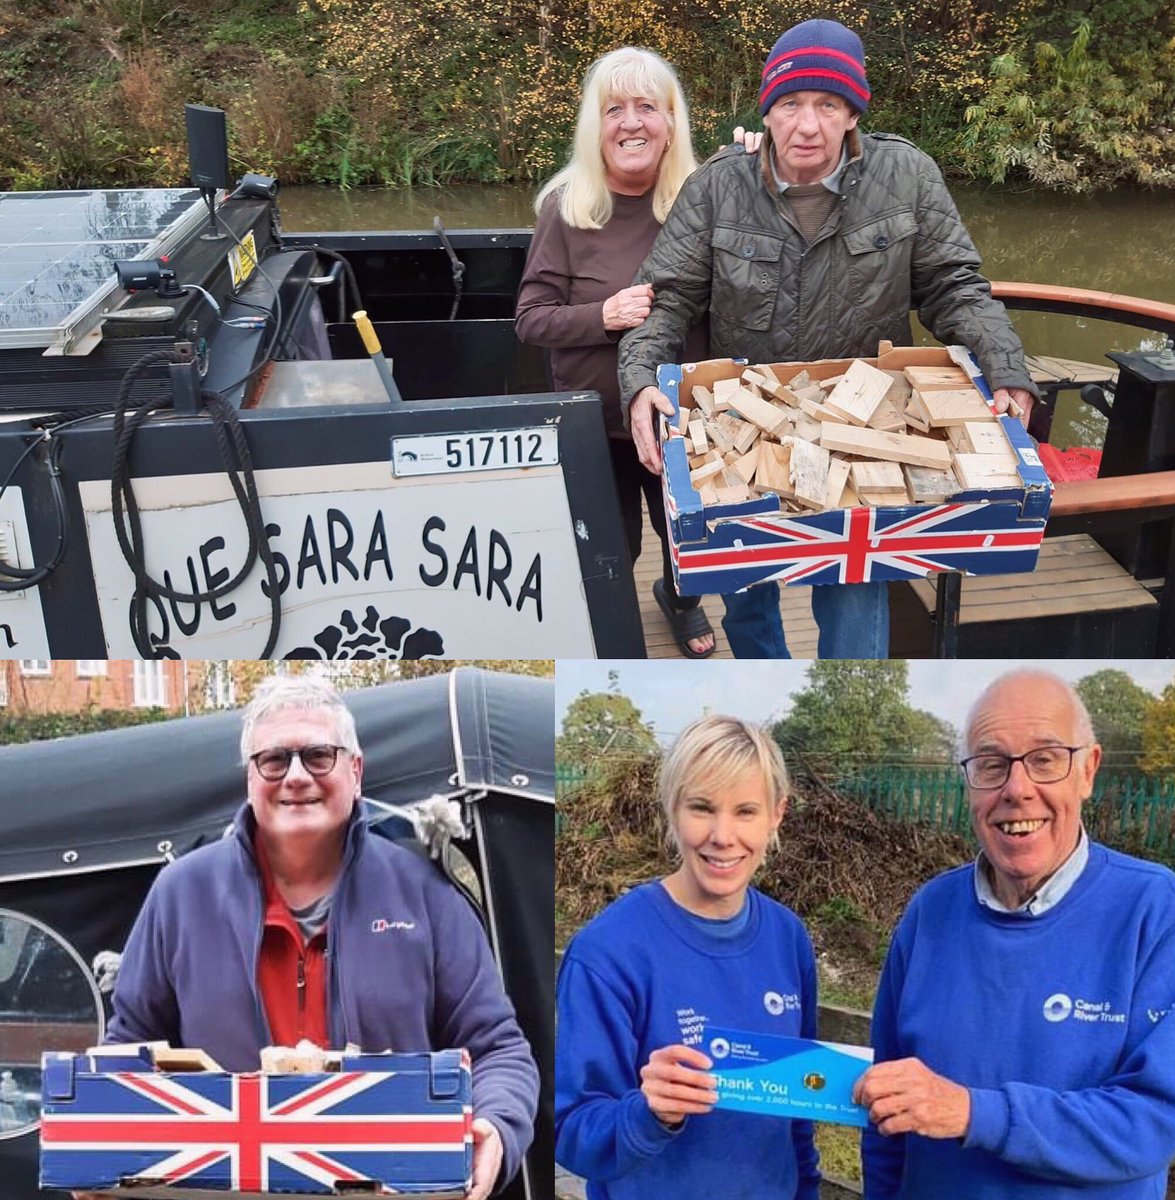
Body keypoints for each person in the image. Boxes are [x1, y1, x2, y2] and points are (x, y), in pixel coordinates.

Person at [618, 19, 1039, 659]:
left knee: (858, 584)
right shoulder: (715, 186)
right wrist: (642, 380)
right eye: (789, 104)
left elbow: (954, 286)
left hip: (868, 420)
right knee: (746, 583)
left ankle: (850, 711)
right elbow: (666, 298)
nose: (806, 126)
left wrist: (1005, 366)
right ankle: (768, 688)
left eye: (827, 105)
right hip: (745, 421)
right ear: (768, 110)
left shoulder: (909, 176)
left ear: (851, 114)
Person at [86, 674, 537, 1200]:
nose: (296, 776)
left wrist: (497, 1129)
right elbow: (130, 1049)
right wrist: (99, 1143)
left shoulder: (425, 892)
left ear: (356, 770)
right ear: (250, 779)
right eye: (274, 760)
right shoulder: (181, 894)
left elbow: (497, 1049)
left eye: (318, 755)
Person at [853, 669, 1175, 1198]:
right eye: (991, 765)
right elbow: (885, 1109)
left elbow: (1150, 1121)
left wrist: (973, 1112)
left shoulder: (1152, 911)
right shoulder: (930, 913)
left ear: (1088, 771)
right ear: (969, 784)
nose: (1017, 789)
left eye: (1045, 759)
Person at [515, 47, 779, 659]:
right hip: (594, 422)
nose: (631, 122)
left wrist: (755, 172)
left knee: (686, 535)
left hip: (687, 419)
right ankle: (612, 624)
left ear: (670, 123)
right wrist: (601, 317)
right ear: (595, 126)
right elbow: (530, 318)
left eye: (646, 107)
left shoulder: (709, 195)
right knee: (613, 545)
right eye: (615, 110)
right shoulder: (566, 208)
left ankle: (680, 600)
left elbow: (776, 248)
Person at [555, 715, 820, 1198]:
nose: (722, 835)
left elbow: (799, 1115)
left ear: (776, 815)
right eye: (701, 808)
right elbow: (570, 1131)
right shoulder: (607, 953)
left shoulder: (789, 938)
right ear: (672, 809)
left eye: (746, 811)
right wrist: (647, 1113)